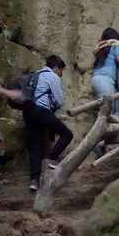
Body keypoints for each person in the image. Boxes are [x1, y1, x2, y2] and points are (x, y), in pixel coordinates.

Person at [19, 55, 73, 192]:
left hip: (28, 112)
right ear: (56, 68)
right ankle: (51, 159)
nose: (61, 75)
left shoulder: (35, 75)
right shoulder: (52, 76)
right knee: (67, 134)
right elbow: (59, 101)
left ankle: (34, 181)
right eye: (61, 71)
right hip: (41, 111)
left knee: (35, 147)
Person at [91, 27, 119, 116]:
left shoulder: (100, 48)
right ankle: (106, 129)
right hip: (106, 81)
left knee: (116, 108)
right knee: (107, 113)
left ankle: (112, 128)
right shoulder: (116, 45)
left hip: (95, 80)